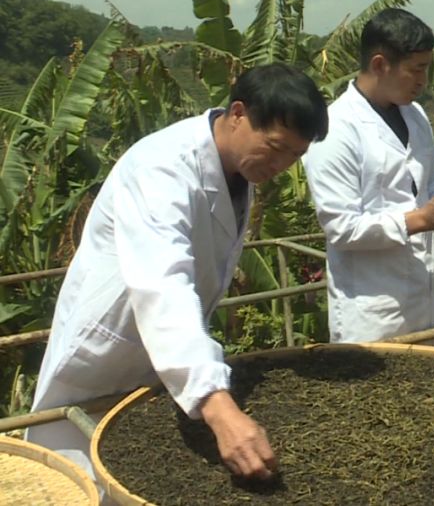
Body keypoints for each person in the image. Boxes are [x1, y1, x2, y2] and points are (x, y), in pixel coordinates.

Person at [26, 64, 329, 485]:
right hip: (105, 357)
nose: (281, 165)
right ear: (238, 113)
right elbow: (163, 282)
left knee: (135, 470)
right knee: (75, 480)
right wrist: (218, 406)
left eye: (294, 156)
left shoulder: (238, 169)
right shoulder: (162, 167)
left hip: (164, 356)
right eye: (275, 147)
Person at [303, 8, 434, 347]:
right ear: (380, 64)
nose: (423, 80)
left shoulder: (415, 115)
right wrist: (420, 220)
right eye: (417, 69)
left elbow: (432, 182)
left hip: (430, 297)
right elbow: (342, 228)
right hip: (375, 309)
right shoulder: (336, 129)